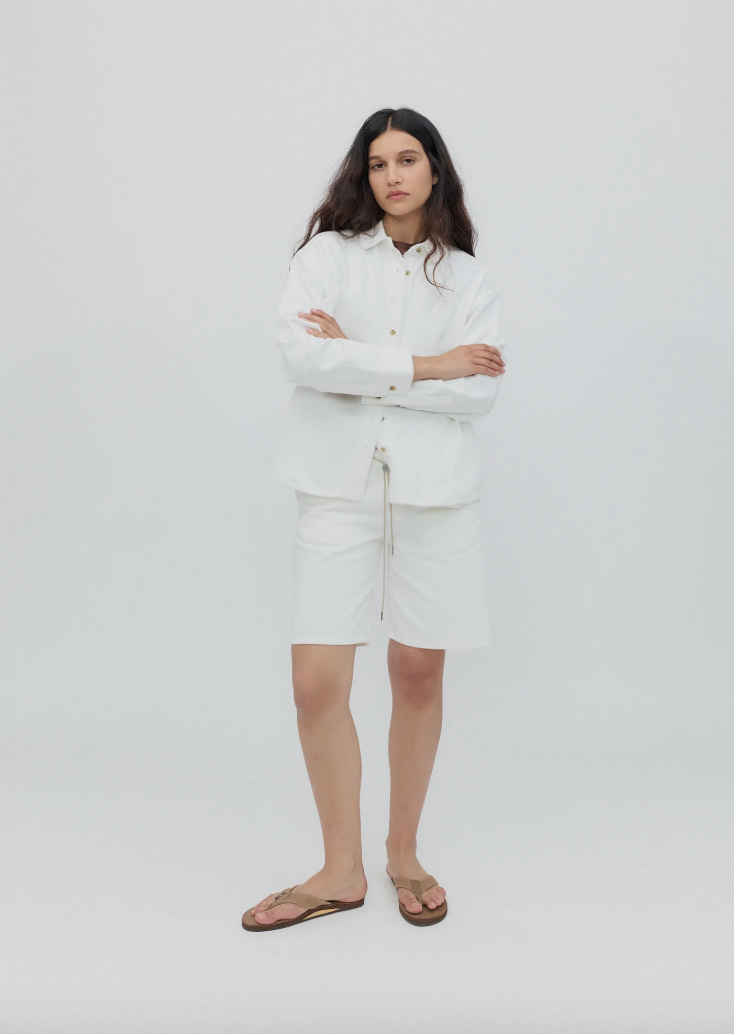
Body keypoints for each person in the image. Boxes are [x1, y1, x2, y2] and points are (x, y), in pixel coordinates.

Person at [242, 107, 507, 932]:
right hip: (335, 486)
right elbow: (300, 356)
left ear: (435, 170)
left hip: (436, 492)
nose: (393, 175)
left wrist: (353, 361)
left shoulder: (468, 278)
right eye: (379, 162)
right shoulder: (324, 258)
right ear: (364, 174)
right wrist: (429, 364)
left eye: (409, 159)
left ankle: (402, 853)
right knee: (316, 682)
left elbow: (479, 392)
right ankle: (340, 870)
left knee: (419, 674)